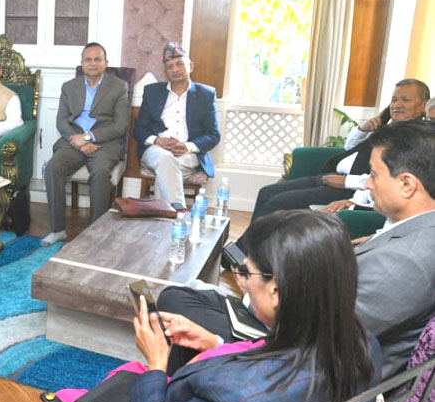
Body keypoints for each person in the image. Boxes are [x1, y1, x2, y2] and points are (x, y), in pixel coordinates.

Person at [31, 210, 379, 402]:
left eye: (247, 273)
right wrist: (215, 344)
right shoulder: (361, 344)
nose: (243, 281)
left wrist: (157, 365)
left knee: (65, 401)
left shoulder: (236, 401)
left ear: (275, 290)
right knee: (122, 378)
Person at [161, 120, 435, 380]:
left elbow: (321, 335)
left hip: (304, 363)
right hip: (301, 327)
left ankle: (180, 388)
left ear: (407, 184)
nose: (366, 184)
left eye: (374, 175)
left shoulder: (405, 261)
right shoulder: (415, 232)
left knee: (176, 307)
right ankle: (182, 387)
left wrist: (259, 293)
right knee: (179, 299)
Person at [246, 79, 429, 226]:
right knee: (267, 192)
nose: (397, 105)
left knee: (278, 202)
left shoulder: (414, 139)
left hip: (347, 187)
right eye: (394, 100)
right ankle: (246, 252)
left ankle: (251, 254)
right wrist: (364, 129)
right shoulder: (388, 129)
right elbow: (350, 148)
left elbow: (385, 179)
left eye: (405, 100)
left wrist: (347, 183)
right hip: (331, 176)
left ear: (424, 105)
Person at [41, 43, 130, 246]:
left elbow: (120, 126)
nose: (93, 63)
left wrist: (89, 138)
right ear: (82, 64)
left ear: (106, 63)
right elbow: (61, 122)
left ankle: (95, 234)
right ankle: (57, 229)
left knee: (100, 173)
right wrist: (79, 142)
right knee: (53, 167)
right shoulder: (69, 87)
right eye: (88, 60)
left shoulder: (119, 87)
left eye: (98, 59)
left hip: (105, 143)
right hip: (73, 141)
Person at [132, 41, 220, 209]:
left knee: (166, 171)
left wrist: (187, 147)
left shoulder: (206, 95)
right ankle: (178, 213)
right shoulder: (152, 92)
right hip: (156, 150)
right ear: (165, 72)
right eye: (170, 66)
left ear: (191, 66)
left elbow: (213, 135)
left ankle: (167, 218)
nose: (175, 69)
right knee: (165, 159)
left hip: (188, 154)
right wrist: (158, 141)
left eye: (179, 64)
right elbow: (139, 129)